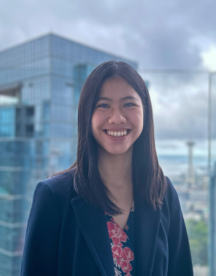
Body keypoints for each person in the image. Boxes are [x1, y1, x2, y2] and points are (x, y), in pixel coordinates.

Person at [20, 61, 193, 276]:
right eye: (103, 105)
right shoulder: (54, 197)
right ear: (86, 115)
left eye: (129, 104)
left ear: (146, 112)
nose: (117, 118)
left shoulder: (163, 192)